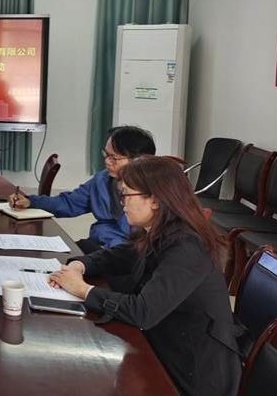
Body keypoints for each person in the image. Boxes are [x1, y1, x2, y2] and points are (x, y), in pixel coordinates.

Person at [49, 156, 242, 396]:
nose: (122, 204)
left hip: (193, 374)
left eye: (126, 195)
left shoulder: (187, 247)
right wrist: (80, 265)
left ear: (155, 200)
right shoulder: (162, 230)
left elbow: (143, 312)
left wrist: (82, 289)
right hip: (163, 346)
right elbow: (119, 255)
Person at [8, 125, 156, 253]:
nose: (107, 161)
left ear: (139, 160)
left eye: (114, 158)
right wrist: (31, 201)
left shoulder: (154, 192)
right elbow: (69, 203)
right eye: (105, 154)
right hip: (99, 246)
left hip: (126, 255)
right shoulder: (102, 180)